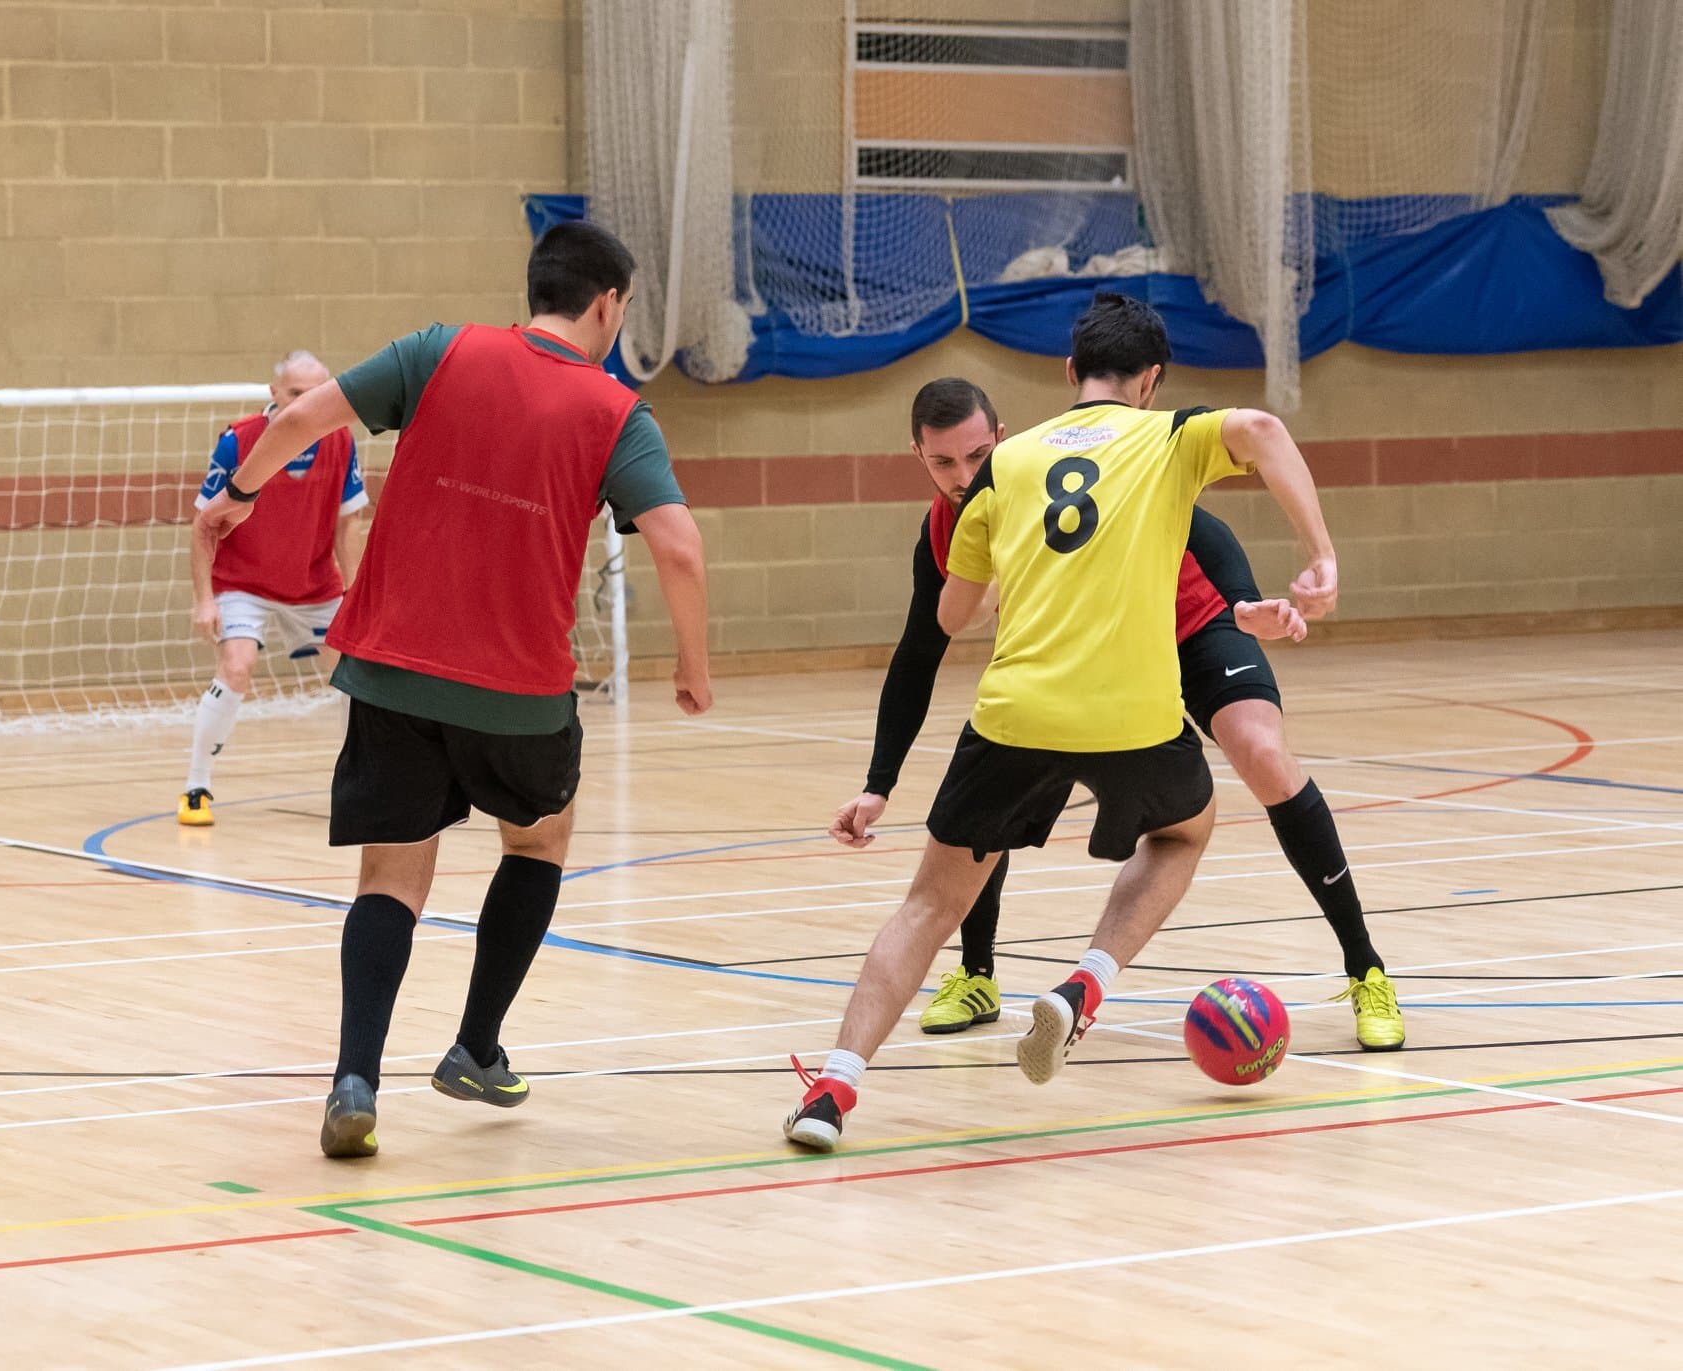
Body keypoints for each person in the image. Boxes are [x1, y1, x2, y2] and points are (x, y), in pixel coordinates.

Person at [197, 221, 714, 1159]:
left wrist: (241, 491)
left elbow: (302, 421)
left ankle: (355, 1075)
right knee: (541, 839)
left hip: (392, 669)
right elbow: (677, 545)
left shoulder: (439, 351)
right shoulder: (614, 411)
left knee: (392, 873)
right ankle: (476, 1044)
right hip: (518, 689)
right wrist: (693, 664)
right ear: (607, 304)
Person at [785, 291, 1338, 1152]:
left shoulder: (1004, 468)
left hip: (1016, 715)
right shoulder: (1165, 437)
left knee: (928, 903)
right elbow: (1263, 430)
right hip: (1133, 715)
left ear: (1069, 372)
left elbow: (953, 618)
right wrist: (1319, 556)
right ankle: (1085, 981)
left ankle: (832, 1087)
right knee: (1184, 832)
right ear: (1150, 381)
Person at [830, 378, 1403, 1052]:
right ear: (916, 455)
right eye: (944, 463)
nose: (964, 476)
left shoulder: (1065, 468)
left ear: (1002, 438)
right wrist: (879, 780)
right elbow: (918, 649)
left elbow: (1203, 528)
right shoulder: (949, 525)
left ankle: (1366, 968)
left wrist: (1243, 604)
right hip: (1106, 652)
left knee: (1262, 756)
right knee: (1002, 769)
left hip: (1194, 621)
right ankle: (977, 973)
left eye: (976, 455)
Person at [181, 350, 367, 826]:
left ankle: (363, 784)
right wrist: (204, 598)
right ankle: (196, 786)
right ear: (274, 394)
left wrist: (355, 594)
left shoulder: (341, 440)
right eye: (297, 394)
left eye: (318, 394)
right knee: (238, 666)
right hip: (243, 582)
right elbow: (204, 524)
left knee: (359, 676)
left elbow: (349, 528)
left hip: (314, 584)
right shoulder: (238, 442)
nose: (308, 403)